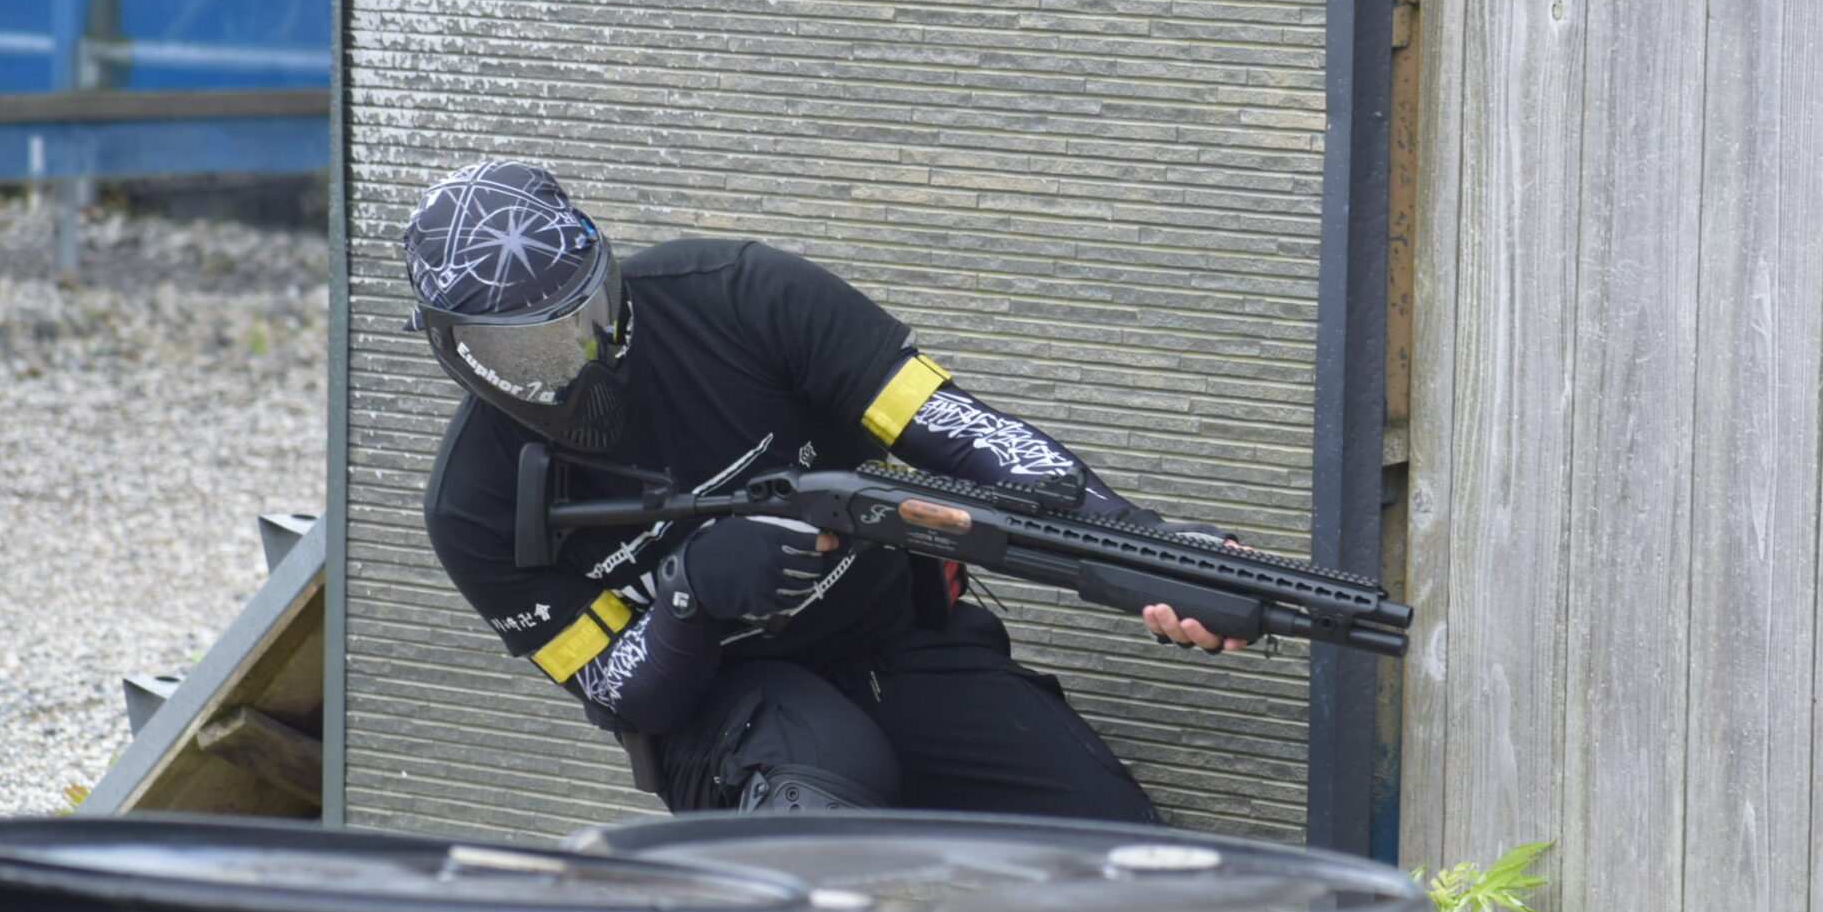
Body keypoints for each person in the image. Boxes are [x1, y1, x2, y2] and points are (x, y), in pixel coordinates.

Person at [412, 160, 1247, 820]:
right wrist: (689, 597)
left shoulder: (741, 297)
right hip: (727, 714)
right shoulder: (474, 506)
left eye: (588, 319)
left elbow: (968, 435)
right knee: (821, 810)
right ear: (453, 350)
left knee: (1118, 849)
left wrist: (1139, 542)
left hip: (900, 645)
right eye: (530, 354)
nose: (575, 365)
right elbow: (625, 693)